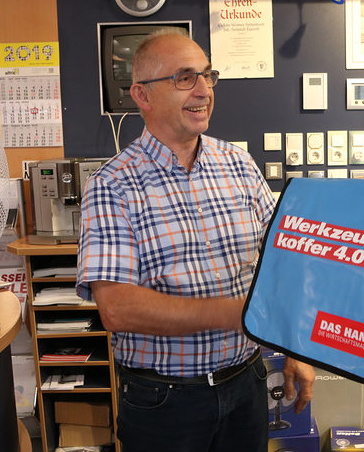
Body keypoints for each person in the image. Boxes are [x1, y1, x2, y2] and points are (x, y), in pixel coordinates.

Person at [76, 29, 314, 452]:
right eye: (185, 77)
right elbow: (117, 308)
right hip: (165, 402)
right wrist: (237, 313)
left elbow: (281, 258)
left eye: (207, 75)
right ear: (142, 96)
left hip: (248, 382)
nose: (204, 89)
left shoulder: (237, 163)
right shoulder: (112, 184)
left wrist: (296, 348)